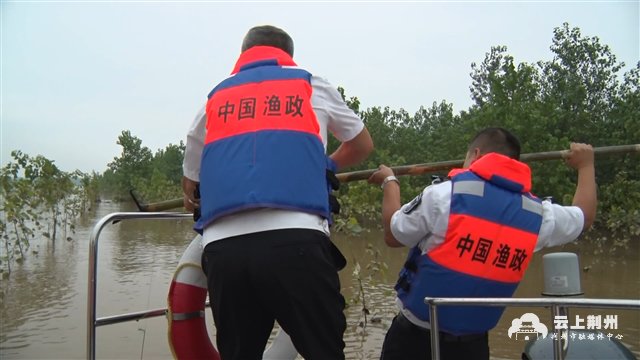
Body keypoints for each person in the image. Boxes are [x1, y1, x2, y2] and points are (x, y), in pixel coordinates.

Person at [182, 25, 373, 360]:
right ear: (288, 55)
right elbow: (361, 144)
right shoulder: (310, 83)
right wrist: (325, 165)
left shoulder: (215, 97)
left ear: (242, 55)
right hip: (297, 243)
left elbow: (191, 186)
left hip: (224, 253)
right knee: (324, 351)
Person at [367, 127, 596, 360]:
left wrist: (390, 181)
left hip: (413, 341)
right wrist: (585, 165)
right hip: (472, 348)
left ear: (476, 155)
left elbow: (392, 235)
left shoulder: (443, 195)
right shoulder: (538, 215)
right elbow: (584, 217)